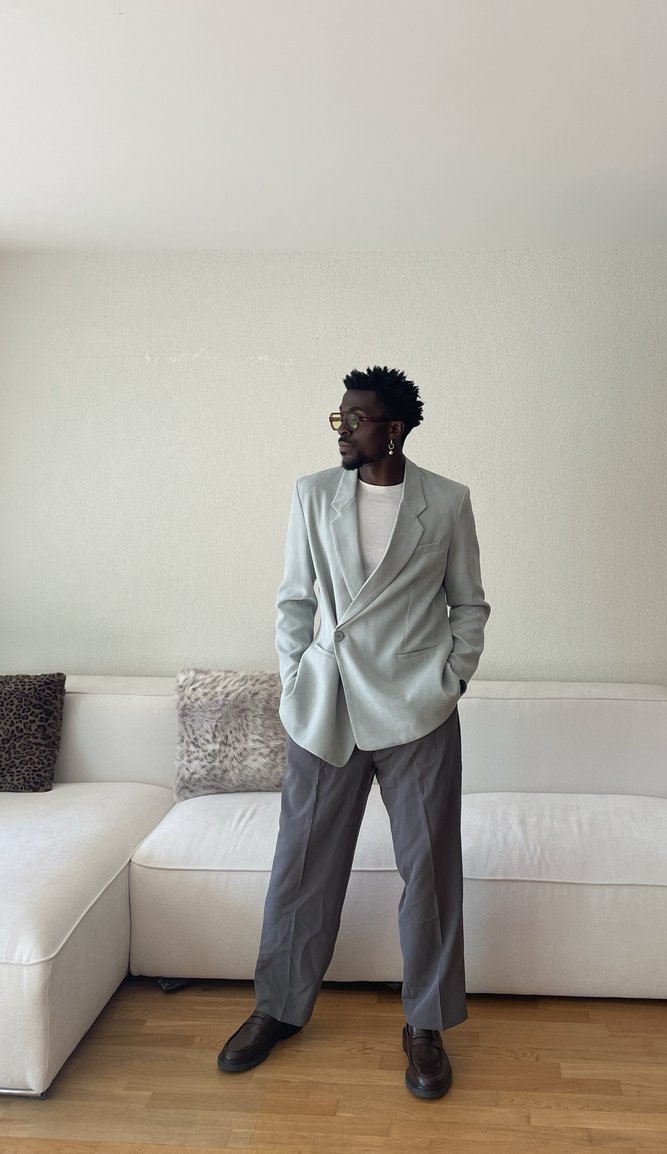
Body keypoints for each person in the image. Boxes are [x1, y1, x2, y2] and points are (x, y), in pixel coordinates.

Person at [217, 365, 490, 1098]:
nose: (341, 429)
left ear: (391, 428)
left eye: (355, 418)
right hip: (327, 704)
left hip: (416, 710)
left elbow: (469, 605)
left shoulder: (447, 501)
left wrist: (452, 677)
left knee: (430, 873)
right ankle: (277, 1008)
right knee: (301, 865)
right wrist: (297, 676)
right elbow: (293, 601)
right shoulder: (312, 495)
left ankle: (425, 1024)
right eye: (337, 418)